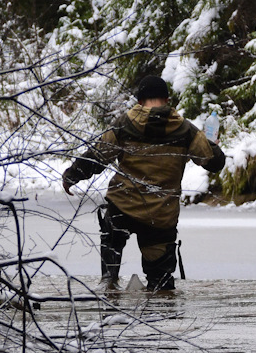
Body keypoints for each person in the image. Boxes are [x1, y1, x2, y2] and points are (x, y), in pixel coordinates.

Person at [62, 75, 226, 293]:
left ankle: (109, 291)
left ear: (139, 101)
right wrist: (212, 145)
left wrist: (71, 176)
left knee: (110, 265)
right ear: (167, 100)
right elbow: (215, 163)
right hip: (160, 215)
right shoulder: (185, 130)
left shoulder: (125, 124)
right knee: (161, 288)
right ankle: (161, 317)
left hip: (123, 206)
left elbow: (97, 157)